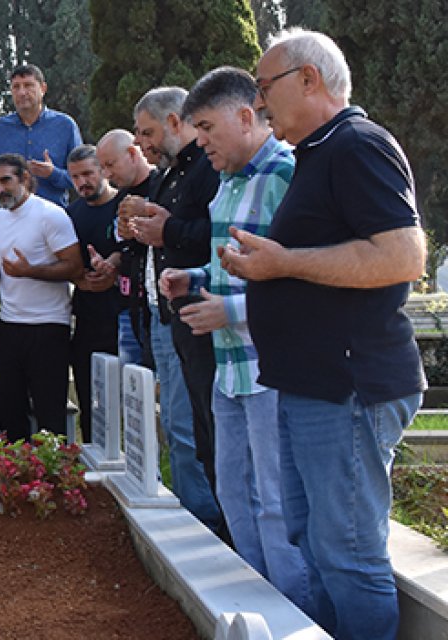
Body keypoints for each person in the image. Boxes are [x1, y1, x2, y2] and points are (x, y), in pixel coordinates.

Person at [222, 29, 427, 639]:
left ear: (308, 80)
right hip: (315, 386)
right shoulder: (322, 152)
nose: (260, 105)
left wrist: (283, 263)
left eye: (264, 88)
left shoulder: (358, 145)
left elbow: (403, 256)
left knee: (348, 556)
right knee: (315, 545)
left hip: (348, 388)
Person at [160, 67, 310, 609]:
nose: (199, 141)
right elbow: (228, 265)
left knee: (277, 504)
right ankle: (253, 607)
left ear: (246, 117)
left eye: (205, 126)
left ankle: (293, 614)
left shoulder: (287, 176)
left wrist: (232, 310)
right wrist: (193, 278)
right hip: (229, 369)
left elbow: (304, 281)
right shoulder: (227, 179)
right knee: (236, 497)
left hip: (270, 369)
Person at [124, 87, 223, 534]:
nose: (141, 143)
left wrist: (167, 230)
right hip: (163, 314)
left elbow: (217, 235)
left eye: (147, 132)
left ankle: (205, 521)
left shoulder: (207, 168)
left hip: (197, 313)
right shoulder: (166, 175)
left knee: (193, 427)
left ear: (174, 122)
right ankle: (194, 514)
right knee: (183, 426)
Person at [0, 154, 81, 441]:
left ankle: (54, 480)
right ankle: (15, 479)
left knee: (49, 415)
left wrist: (30, 271)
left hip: (48, 326)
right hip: (10, 324)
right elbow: (6, 268)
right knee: (9, 413)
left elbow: (74, 267)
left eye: (6, 180)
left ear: (25, 179)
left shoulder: (51, 215)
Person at [65, 144, 125, 442]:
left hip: (123, 316)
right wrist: (80, 277)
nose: (82, 182)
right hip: (87, 317)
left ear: (103, 169)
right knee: (89, 400)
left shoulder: (124, 206)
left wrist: (114, 268)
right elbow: (63, 261)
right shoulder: (70, 214)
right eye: (75, 177)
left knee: (126, 400)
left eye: (88, 173)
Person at [96, 129, 156, 365]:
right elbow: (122, 248)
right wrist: (109, 263)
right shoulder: (120, 198)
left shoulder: (160, 186)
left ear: (132, 154)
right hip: (127, 306)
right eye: (104, 168)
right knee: (133, 389)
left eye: (111, 165)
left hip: (157, 307)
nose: (108, 175)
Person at [0, 64, 82, 207]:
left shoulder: (65, 126)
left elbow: (82, 177)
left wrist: (53, 173)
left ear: (43, 89)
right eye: (16, 87)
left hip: (52, 217)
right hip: (10, 217)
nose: (22, 92)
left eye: (28, 85)